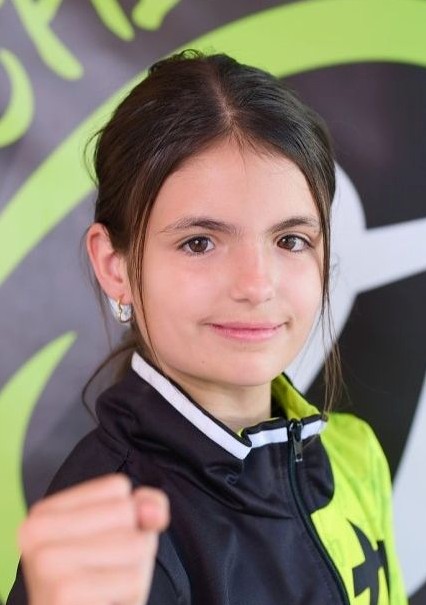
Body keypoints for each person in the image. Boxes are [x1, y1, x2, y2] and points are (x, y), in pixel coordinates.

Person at [7, 49, 406, 605]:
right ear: (114, 265)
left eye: (291, 240)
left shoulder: (354, 454)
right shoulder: (113, 539)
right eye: (199, 242)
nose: (256, 284)